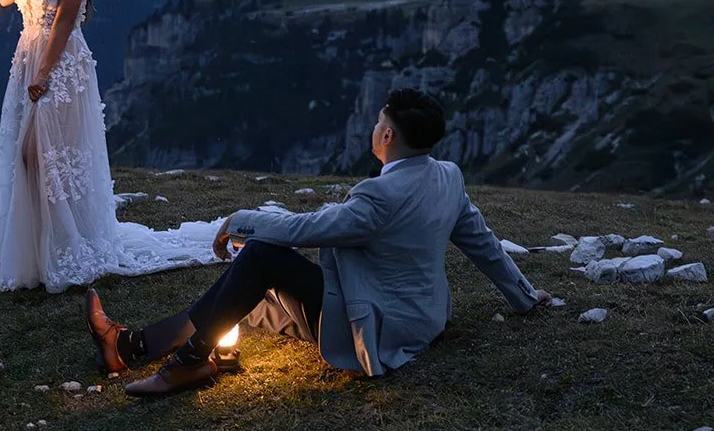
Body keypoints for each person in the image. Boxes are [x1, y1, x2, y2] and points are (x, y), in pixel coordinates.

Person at [84, 89, 553, 396]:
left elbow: (306, 230)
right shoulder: (447, 177)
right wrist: (525, 298)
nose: (373, 128)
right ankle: (135, 347)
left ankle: (180, 359)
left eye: (376, 121)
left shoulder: (380, 195)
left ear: (386, 135)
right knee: (243, 287)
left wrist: (242, 219)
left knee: (263, 255)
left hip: (381, 331)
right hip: (423, 319)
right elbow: (483, 244)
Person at [0, 0, 175, 290]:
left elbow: (67, 16)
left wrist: (46, 72)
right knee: (28, 154)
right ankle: (37, 256)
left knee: (40, 154)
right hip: (28, 57)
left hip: (60, 61)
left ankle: (64, 250)